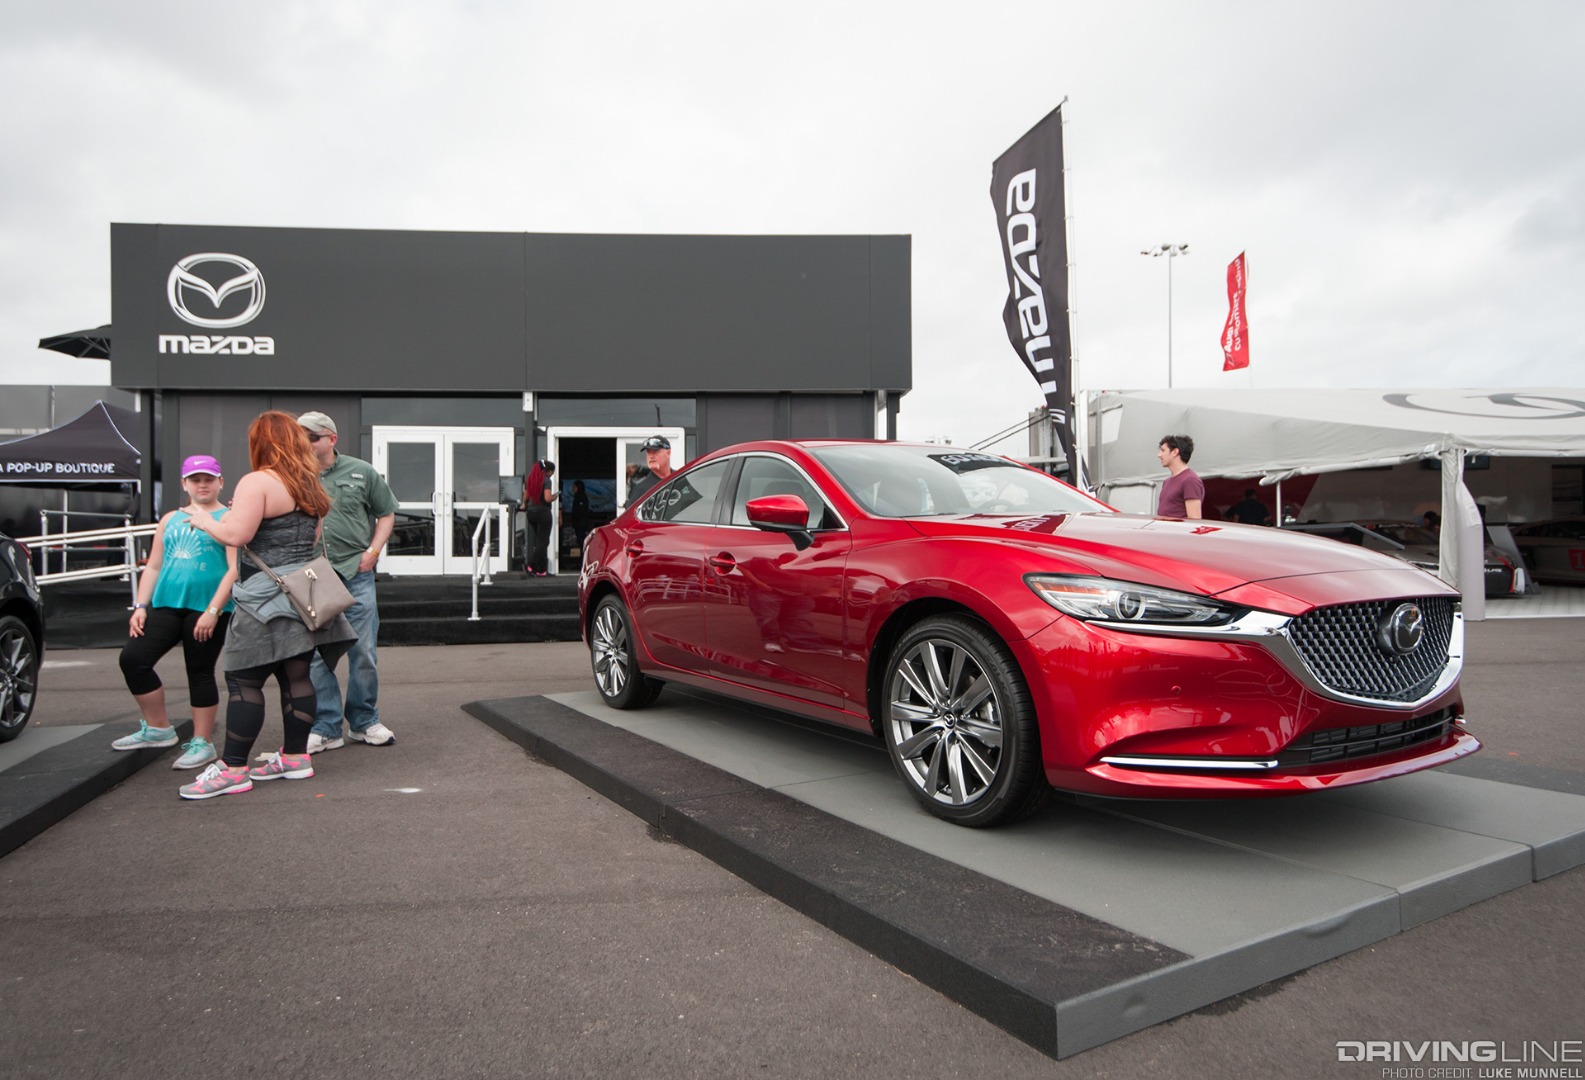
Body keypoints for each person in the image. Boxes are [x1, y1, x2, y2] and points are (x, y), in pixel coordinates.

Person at [176, 412, 357, 800]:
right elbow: (312, 540)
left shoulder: (258, 481)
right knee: (296, 676)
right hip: (302, 594)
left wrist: (204, 520)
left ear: (261, 443)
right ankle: (295, 758)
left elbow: (237, 534)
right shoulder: (309, 484)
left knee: (244, 680)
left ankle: (234, 768)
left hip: (263, 596)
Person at [111, 454, 239, 770]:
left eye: (209, 479)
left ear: (220, 482)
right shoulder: (169, 519)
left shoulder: (229, 518)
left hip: (209, 609)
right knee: (133, 659)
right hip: (167, 605)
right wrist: (141, 605)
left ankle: (202, 742)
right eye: (196, 479)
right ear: (185, 484)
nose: (203, 484)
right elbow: (154, 565)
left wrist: (214, 610)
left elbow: (235, 569)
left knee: (199, 671)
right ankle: (158, 729)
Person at [294, 411, 399, 755]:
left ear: (331, 439)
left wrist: (373, 550)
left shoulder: (361, 471)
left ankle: (364, 719)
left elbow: (386, 512)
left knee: (363, 650)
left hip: (356, 571)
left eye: (311, 438)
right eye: (300, 437)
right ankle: (326, 727)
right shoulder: (291, 474)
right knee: (315, 655)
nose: (304, 444)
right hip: (313, 576)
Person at [520, 458, 556, 574]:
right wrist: (555, 496)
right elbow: (547, 498)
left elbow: (525, 498)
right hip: (543, 513)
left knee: (540, 542)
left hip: (531, 514)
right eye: (552, 472)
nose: (552, 475)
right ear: (548, 471)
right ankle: (529, 565)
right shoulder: (546, 481)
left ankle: (541, 570)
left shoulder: (530, 480)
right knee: (543, 543)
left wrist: (524, 505)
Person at [1156, 434, 1204, 520]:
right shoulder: (1166, 482)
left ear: (1175, 452)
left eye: (1163, 450)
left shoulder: (1190, 480)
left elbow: (1194, 520)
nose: (1159, 455)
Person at [626, 435, 676, 505]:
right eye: (648, 452)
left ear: (668, 453)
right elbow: (631, 514)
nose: (651, 456)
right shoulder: (640, 488)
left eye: (655, 451)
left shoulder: (681, 477)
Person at [569, 479, 592, 553]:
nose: (573, 488)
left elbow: (581, 511)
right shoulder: (577, 497)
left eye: (574, 486)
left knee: (582, 541)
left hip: (581, 523)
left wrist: (577, 520)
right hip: (579, 523)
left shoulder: (581, 497)